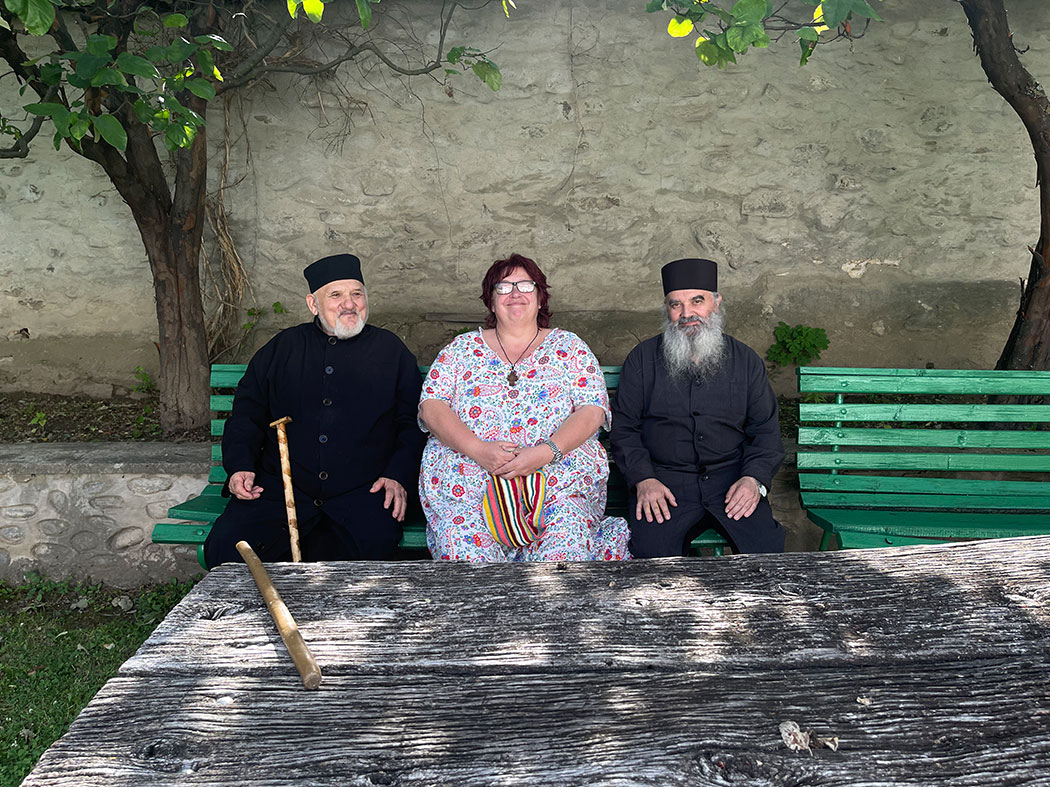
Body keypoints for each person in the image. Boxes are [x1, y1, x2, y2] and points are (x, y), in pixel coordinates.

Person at [203, 253, 426, 567]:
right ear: (313, 304)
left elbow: (413, 422)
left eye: (357, 294)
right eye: (335, 295)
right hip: (281, 489)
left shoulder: (391, 352)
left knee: (366, 556)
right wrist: (240, 466)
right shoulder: (282, 349)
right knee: (230, 548)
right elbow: (247, 414)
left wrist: (397, 476)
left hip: (362, 492)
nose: (349, 304)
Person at [418, 253, 630, 562]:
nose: (515, 294)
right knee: (467, 564)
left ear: (541, 298)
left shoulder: (569, 347)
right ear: (491, 302)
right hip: (469, 485)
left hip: (556, 481)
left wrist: (543, 453)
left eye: (526, 285)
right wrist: (479, 450)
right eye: (503, 287)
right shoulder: (460, 349)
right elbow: (431, 407)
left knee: (562, 560)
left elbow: (592, 410)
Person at [609, 257, 785, 556]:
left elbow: (766, 432)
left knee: (766, 552)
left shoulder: (745, 361)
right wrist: (644, 478)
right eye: (675, 304)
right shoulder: (642, 359)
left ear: (716, 303)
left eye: (697, 301)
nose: (686, 313)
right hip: (664, 485)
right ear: (667, 309)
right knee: (651, 562)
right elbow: (625, 429)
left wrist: (753, 479)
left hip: (731, 482)